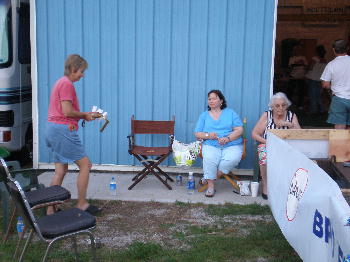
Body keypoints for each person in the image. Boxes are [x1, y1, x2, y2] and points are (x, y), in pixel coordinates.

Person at [45, 54, 101, 215]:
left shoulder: (60, 83)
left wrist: (84, 115)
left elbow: (65, 111)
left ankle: (50, 209)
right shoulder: (66, 84)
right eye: (81, 71)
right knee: (85, 165)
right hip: (63, 130)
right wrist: (84, 115)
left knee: (61, 170)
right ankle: (82, 204)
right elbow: (67, 112)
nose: (82, 75)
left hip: (53, 129)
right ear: (73, 69)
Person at [251, 92, 300, 200]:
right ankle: (266, 185)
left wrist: (288, 124)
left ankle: (285, 187)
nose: (280, 108)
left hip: (287, 147)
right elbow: (254, 134)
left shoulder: (291, 116)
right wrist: (268, 142)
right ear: (272, 106)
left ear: (287, 105)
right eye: (277, 106)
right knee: (264, 157)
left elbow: (299, 135)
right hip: (267, 145)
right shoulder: (267, 115)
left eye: (283, 105)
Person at [194, 90, 243, 197]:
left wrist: (228, 138)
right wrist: (208, 136)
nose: (211, 101)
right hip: (211, 144)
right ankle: (211, 187)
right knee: (210, 159)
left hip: (231, 143)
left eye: (214, 98)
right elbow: (197, 133)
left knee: (233, 158)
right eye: (209, 99)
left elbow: (239, 130)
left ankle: (207, 178)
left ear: (221, 100)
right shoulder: (204, 115)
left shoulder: (230, 113)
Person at [321, 39, 350, 129]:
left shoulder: (331, 64)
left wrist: (333, 86)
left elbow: (325, 84)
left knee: (339, 127)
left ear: (333, 50)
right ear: (347, 48)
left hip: (338, 99)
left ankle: (339, 143)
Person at [306, 45, 327, 114]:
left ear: (317, 51)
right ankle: (322, 109)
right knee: (319, 96)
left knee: (312, 96)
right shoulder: (325, 60)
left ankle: (313, 110)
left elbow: (310, 68)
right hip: (320, 80)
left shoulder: (314, 58)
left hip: (313, 79)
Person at [287, 45, 308, 109]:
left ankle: (300, 105)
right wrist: (299, 64)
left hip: (301, 77)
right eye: (295, 50)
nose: (297, 51)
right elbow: (290, 67)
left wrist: (298, 64)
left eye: (298, 50)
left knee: (301, 92)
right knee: (290, 91)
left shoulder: (303, 58)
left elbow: (306, 66)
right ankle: (288, 104)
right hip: (293, 77)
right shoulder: (291, 58)